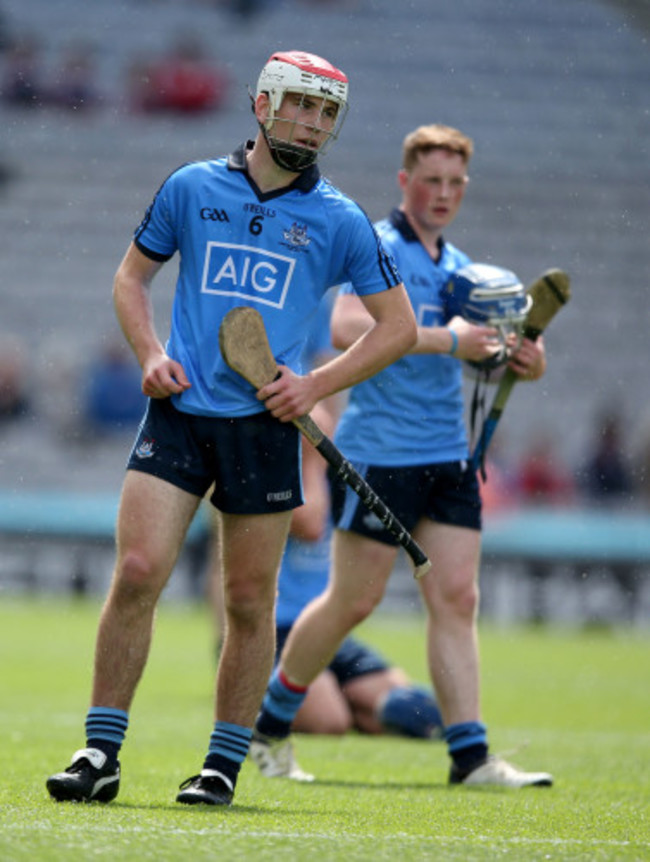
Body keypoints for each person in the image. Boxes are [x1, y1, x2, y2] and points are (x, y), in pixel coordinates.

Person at [45, 50, 417, 809]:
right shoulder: (191, 186)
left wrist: (314, 384)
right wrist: (150, 354)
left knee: (249, 603)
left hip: (267, 429)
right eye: (299, 106)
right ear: (262, 105)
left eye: (326, 113)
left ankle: (220, 765)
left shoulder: (339, 219)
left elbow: (397, 328)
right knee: (140, 572)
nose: (310, 124)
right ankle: (99, 751)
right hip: (180, 414)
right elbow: (130, 278)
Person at [251, 123, 554, 788]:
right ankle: (269, 728)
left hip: (450, 456)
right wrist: (448, 341)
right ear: (404, 182)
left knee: (456, 597)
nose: (443, 194)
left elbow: (490, 351)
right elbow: (346, 326)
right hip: (379, 456)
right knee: (351, 602)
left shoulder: (463, 269)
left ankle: (470, 757)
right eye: (432, 180)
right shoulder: (380, 247)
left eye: (455, 183)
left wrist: (519, 358)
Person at [209, 300, 443, 747]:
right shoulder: (272, 467)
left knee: (408, 709)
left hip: (324, 631)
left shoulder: (331, 457)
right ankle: (260, 692)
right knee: (331, 719)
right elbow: (311, 524)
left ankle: (359, 704)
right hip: (276, 629)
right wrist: (314, 459)